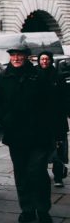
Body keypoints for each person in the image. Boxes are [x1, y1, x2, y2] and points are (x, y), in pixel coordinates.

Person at [0, 44, 56, 223]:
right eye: (13, 55)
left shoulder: (38, 76)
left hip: (38, 134)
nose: (16, 58)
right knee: (21, 174)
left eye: (19, 55)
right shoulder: (3, 77)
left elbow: (51, 103)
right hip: (16, 134)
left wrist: (52, 130)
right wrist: (3, 118)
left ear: (27, 57)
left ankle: (43, 209)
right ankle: (27, 209)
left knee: (38, 172)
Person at [37, 51, 69, 188]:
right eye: (42, 59)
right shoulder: (34, 76)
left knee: (58, 149)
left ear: (50, 60)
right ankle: (42, 175)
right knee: (41, 150)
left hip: (57, 120)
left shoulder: (58, 76)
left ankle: (58, 176)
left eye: (47, 59)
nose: (44, 61)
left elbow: (66, 98)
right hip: (40, 121)